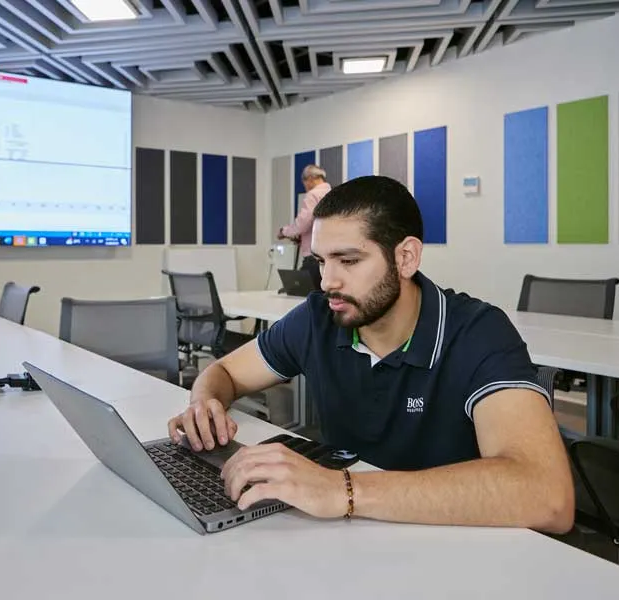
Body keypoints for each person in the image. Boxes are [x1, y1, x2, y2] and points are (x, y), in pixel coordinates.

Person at [168, 175, 574, 534]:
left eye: (348, 260)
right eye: (321, 261)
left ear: (406, 257)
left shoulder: (477, 332)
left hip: (453, 548)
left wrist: (343, 490)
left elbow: (548, 495)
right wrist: (205, 403)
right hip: (351, 541)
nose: (327, 281)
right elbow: (225, 372)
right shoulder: (318, 318)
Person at [279, 164, 332, 289]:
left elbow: (302, 223)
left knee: (303, 292)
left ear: (310, 179)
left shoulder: (313, 195)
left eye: (304, 182)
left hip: (313, 255)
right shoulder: (332, 193)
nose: (305, 186)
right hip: (330, 255)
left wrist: (284, 232)